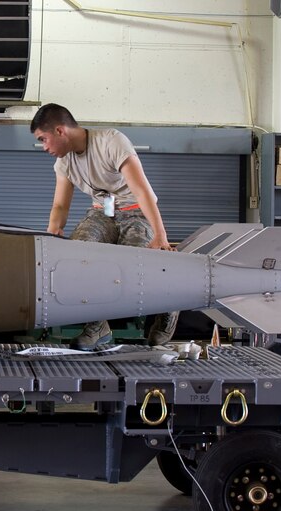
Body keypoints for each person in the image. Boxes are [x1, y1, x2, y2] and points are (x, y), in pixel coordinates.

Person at [30, 103, 179, 350]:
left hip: (136, 213)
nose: (44, 147)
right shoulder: (64, 162)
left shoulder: (111, 142)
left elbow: (143, 192)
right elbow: (60, 205)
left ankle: (168, 314)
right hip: (102, 214)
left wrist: (161, 236)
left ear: (60, 131)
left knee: (143, 266)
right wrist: (52, 233)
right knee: (75, 257)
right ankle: (97, 326)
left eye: (43, 139)